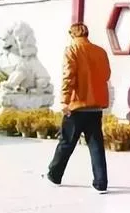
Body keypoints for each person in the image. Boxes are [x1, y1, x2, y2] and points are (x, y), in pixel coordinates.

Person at [45, 22, 111, 193]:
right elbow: (106, 75)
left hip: (77, 106)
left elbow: (68, 77)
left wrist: (64, 101)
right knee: (96, 145)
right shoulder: (100, 51)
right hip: (95, 106)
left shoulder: (72, 50)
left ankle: (54, 175)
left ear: (72, 34)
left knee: (66, 142)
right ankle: (101, 183)